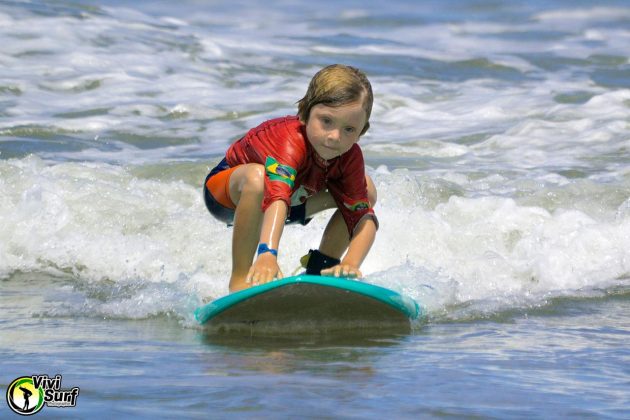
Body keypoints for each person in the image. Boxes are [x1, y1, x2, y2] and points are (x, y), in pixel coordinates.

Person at [204, 64, 378, 292]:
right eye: (326, 121)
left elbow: (362, 217)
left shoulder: (350, 156)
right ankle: (239, 280)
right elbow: (276, 196)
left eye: (349, 129)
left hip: (294, 202)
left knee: (366, 190)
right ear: (305, 114)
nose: (335, 136)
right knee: (258, 178)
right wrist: (267, 254)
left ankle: (321, 271)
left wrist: (350, 263)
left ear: (362, 131)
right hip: (229, 198)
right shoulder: (289, 141)